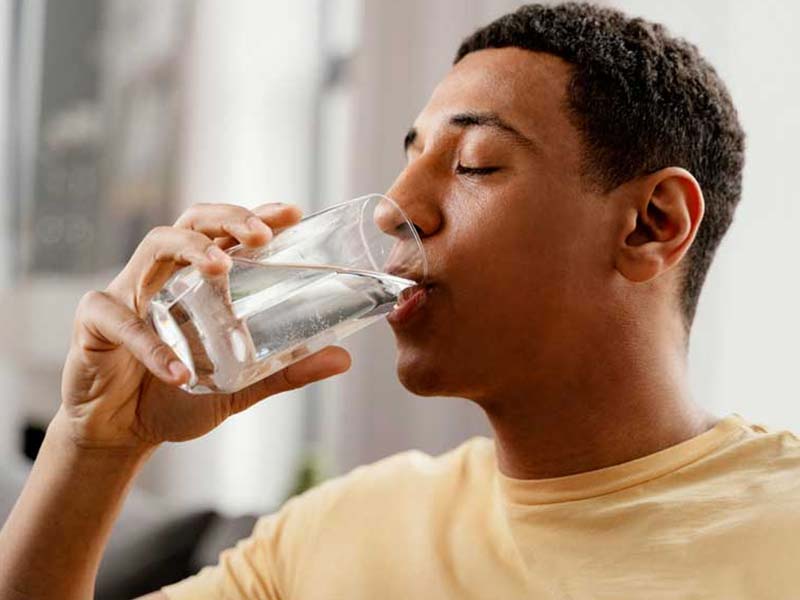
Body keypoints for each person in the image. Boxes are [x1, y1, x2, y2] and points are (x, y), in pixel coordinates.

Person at [2, 2, 798, 598]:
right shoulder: (334, 534)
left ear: (652, 226)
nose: (393, 208)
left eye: (476, 163)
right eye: (409, 158)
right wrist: (95, 447)